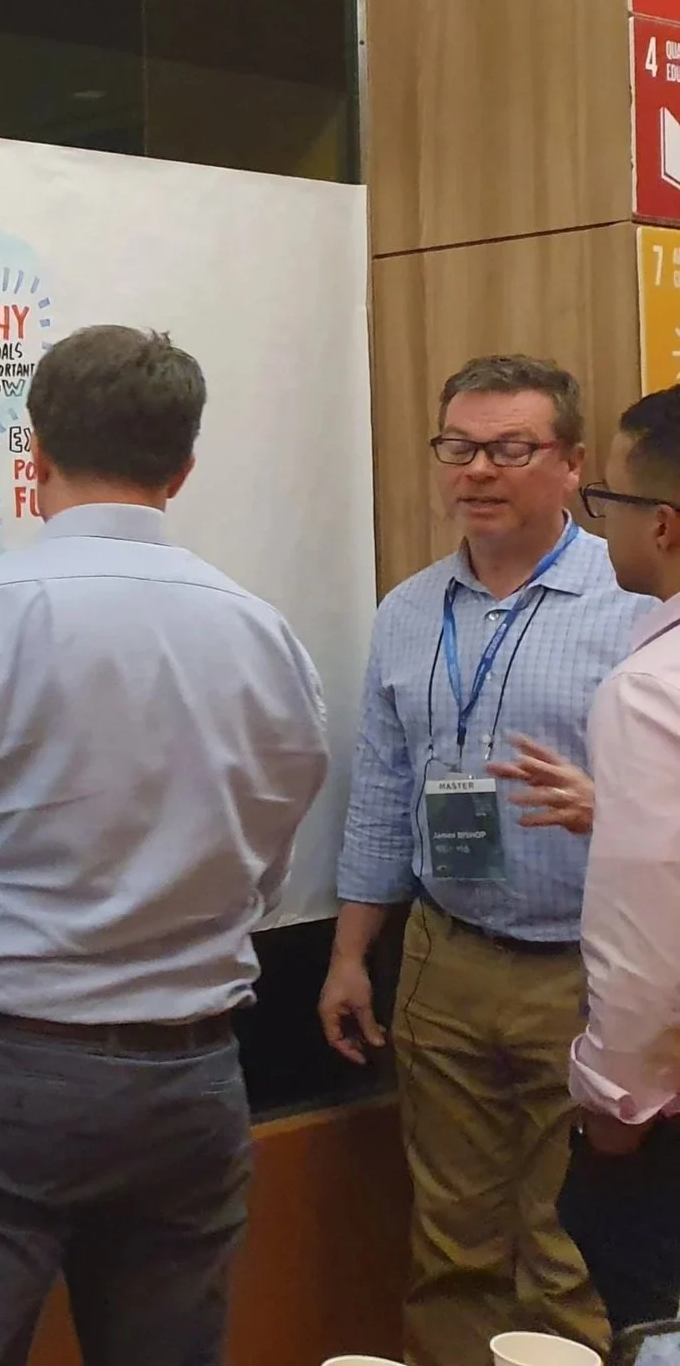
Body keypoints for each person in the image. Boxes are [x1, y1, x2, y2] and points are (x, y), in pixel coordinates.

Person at [0, 324, 330, 1366]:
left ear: (32, 455)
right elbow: (265, 874)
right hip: (195, 1077)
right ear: (182, 468)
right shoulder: (266, 634)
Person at [317, 355, 649, 1366]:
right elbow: (380, 789)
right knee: (451, 1238)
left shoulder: (636, 602)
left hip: (588, 970)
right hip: (445, 957)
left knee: (567, 1248)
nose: (478, 471)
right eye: (458, 447)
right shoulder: (410, 609)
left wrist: (615, 810)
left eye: (512, 448)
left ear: (572, 463)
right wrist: (347, 954)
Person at [543, 386, 680, 1332]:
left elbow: (644, 957)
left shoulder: (649, 691)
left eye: (610, 502)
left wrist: (612, 1111)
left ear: (664, 527)